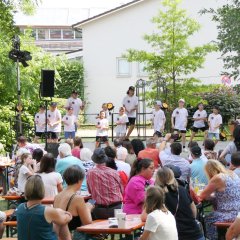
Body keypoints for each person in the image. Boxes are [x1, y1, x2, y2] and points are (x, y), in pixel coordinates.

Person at [16, 175, 72, 240]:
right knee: (62, 223)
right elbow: (63, 220)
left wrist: (59, 211)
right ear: (42, 190)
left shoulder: (20, 208)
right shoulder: (46, 211)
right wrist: (68, 215)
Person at [156, 167, 204, 240]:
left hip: (175, 235)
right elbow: (193, 209)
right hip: (195, 233)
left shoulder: (157, 194)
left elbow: (145, 216)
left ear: (158, 179)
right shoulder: (182, 189)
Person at [200, 160, 240, 240]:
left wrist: (210, 196)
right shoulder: (232, 173)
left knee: (205, 217)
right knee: (210, 213)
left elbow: (202, 195)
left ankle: (212, 237)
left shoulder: (218, 178)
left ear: (209, 171)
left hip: (227, 214)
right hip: (237, 212)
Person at [54, 165, 93, 240]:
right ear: (80, 180)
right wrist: (88, 208)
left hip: (60, 236)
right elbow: (87, 223)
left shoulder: (57, 196)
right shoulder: (77, 198)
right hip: (72, 236)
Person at [87, 148, 123, 219]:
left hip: (99, 209)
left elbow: (90, 191)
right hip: (116, 207)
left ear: (94, 160)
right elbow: (121, 190)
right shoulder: (114, 172)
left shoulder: (90, 173)